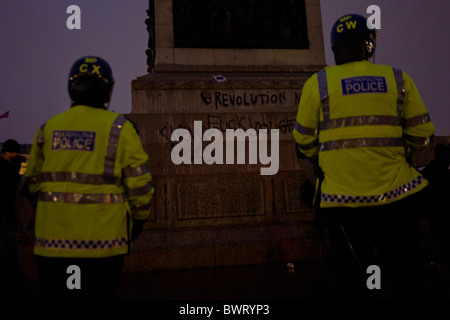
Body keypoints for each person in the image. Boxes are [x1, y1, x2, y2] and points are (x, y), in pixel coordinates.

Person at [293, 14, 435, 299]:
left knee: (350, 280)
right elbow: (423, 134)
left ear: (334, 50)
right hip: (397, 198)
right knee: (406, 276)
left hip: (341, 204)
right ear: (368, 47)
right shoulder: (397, 78)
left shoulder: (318, 83)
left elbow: (304, 143)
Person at [25, 56, 154, 300]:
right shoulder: (120, 128)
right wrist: (138, 221)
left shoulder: (49, 128)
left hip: (52, 244)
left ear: (71, 87)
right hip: (104, 245)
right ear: (108, 89)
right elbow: (140, 186)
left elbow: (32, 181)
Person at [0, 139, 29, 298]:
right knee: (13, 256)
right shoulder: (9, 169)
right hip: (5, 217)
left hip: (9, 217)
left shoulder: (9, 167)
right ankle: (21, 290)